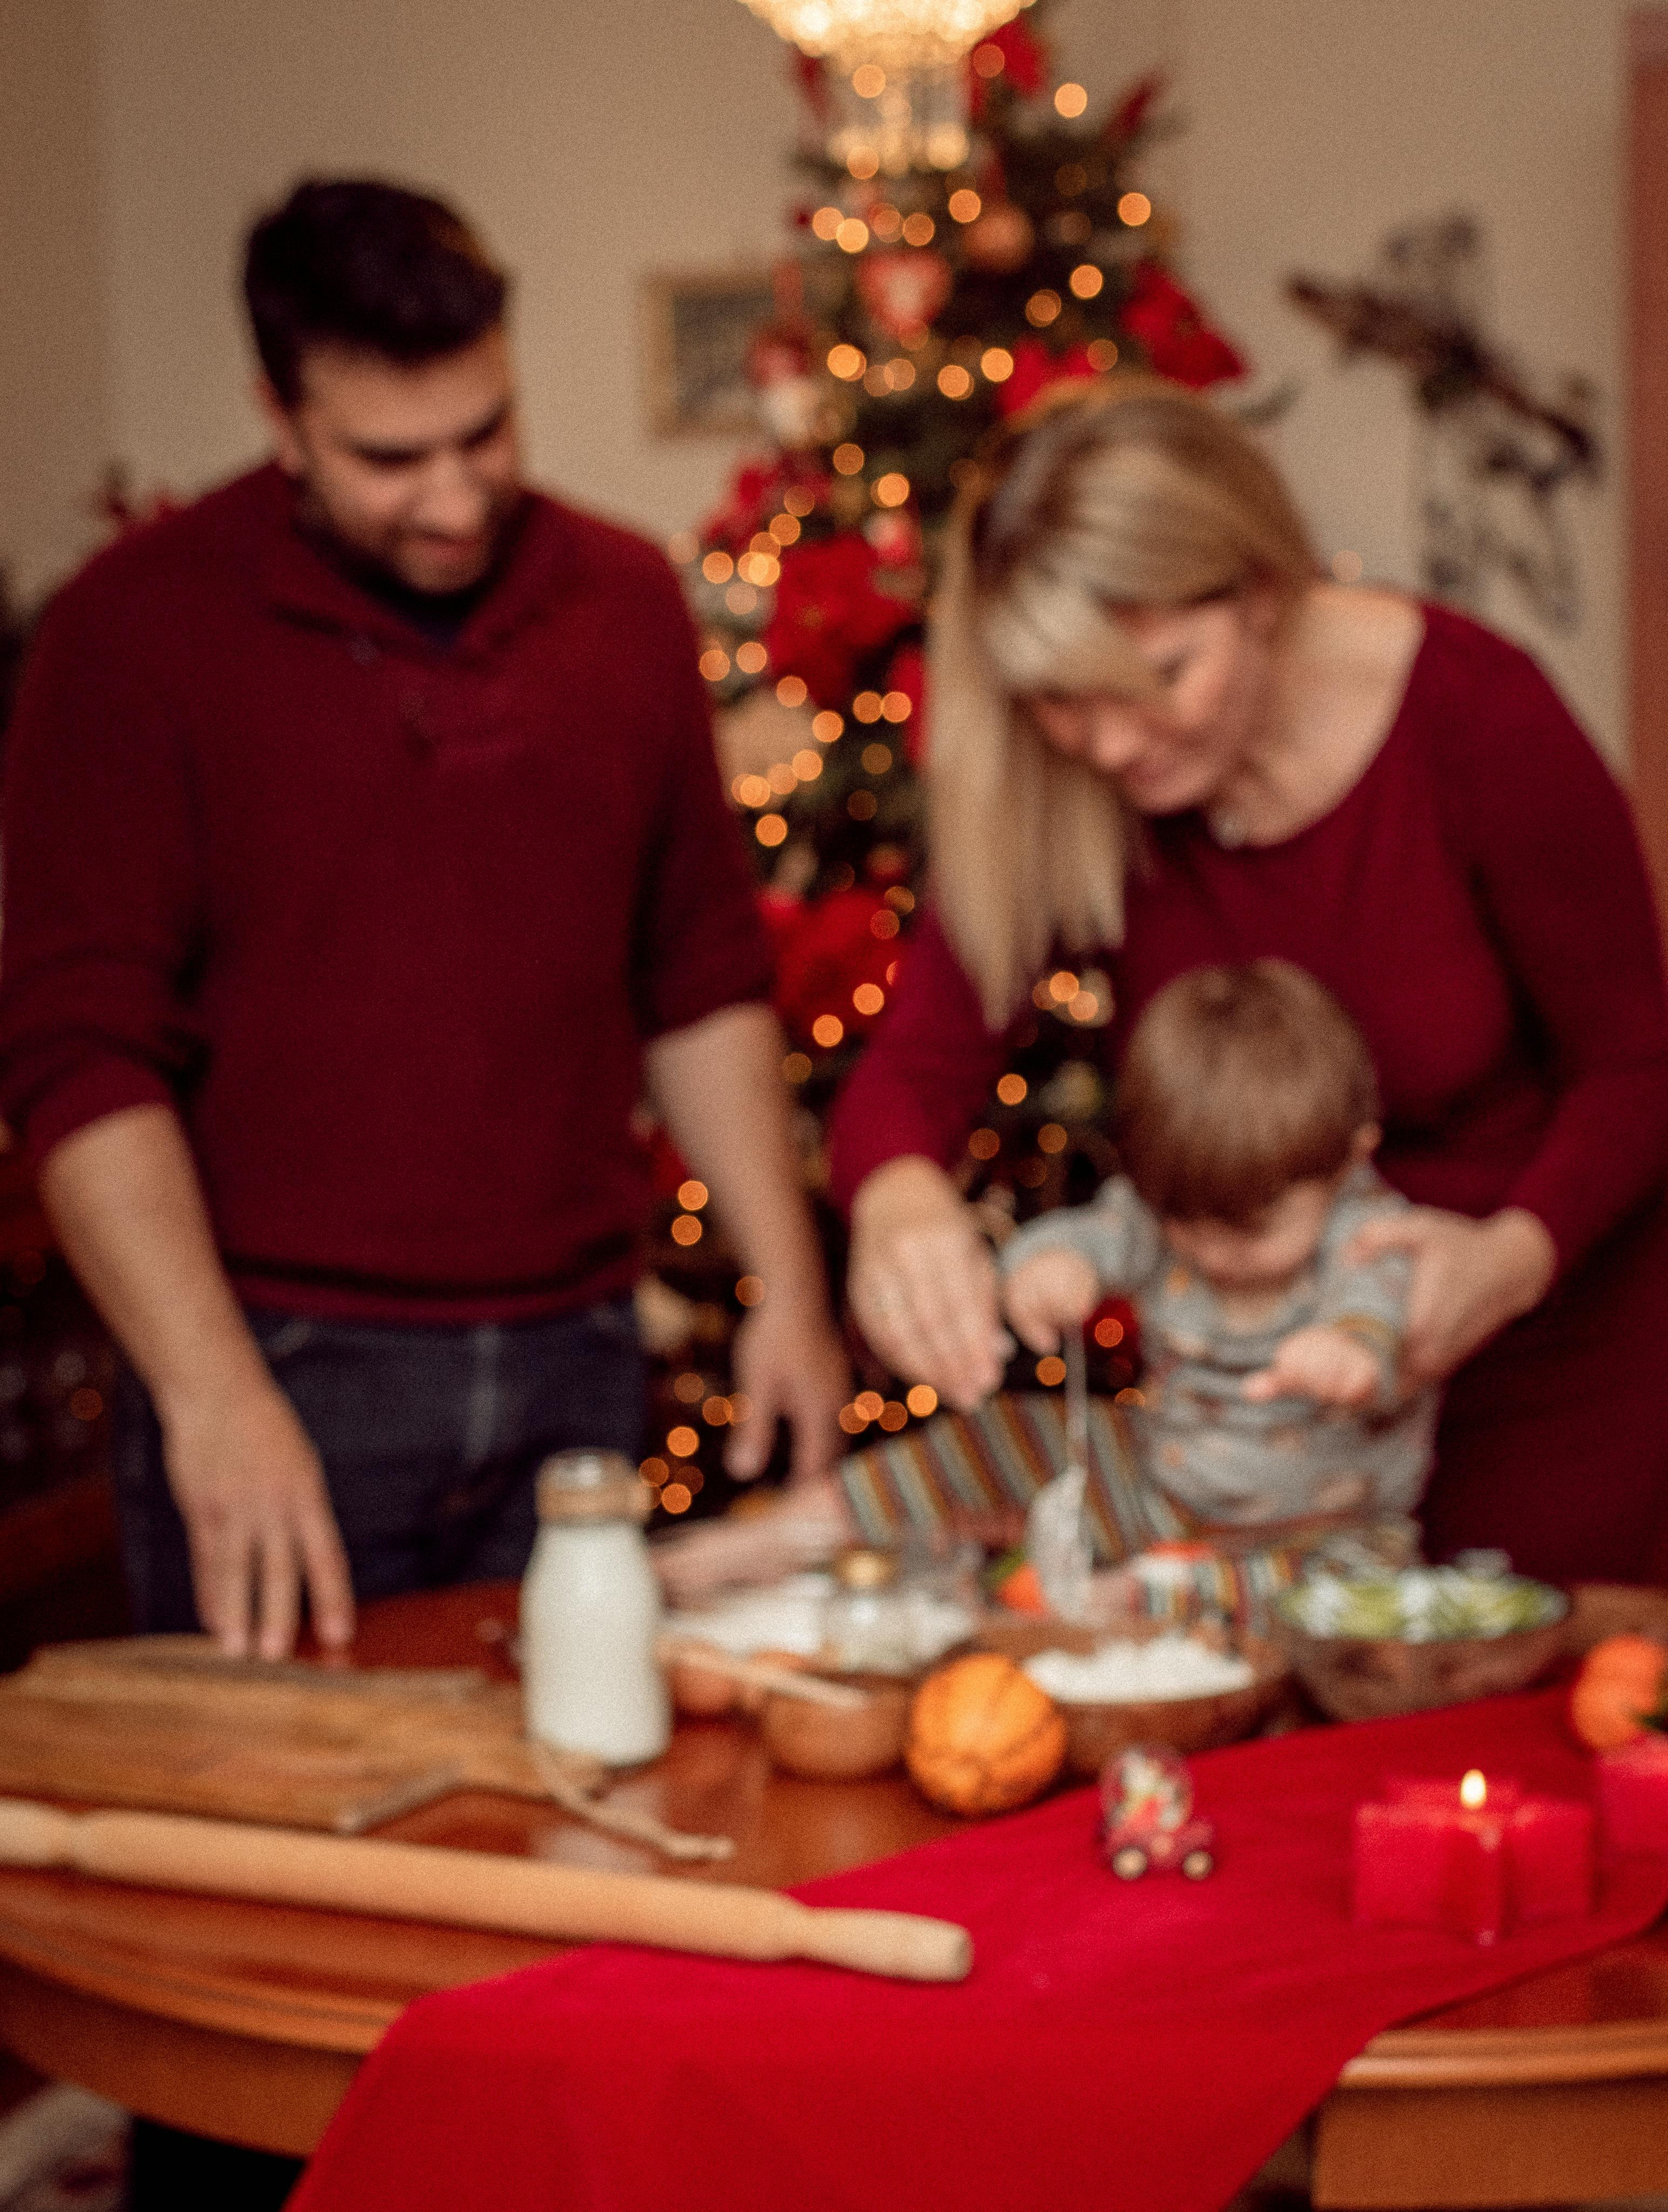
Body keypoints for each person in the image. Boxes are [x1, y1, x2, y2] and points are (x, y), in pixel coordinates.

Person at [0, 177, 848, 1665]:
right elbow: (77, 1056)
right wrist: (211, 1396)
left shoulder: (624, 598)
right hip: (279, 1364)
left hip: (581, 1359)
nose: (454, 499)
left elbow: (700, 975)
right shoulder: (129, 634)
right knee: (279, 1856)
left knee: (568, 1821)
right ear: (280, 415)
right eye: (389, 459)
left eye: (485, 434)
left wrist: (785, 1285)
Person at [829, 373, 1668, 1587]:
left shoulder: (1480, 716)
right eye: (1064, 701)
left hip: (1545, 1385)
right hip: (1259, 1448)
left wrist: (1511, 1260)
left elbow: (1637, 1067)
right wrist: (902, 1204)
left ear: (1263, 588)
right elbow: (917, 1060)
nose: (1110, 745)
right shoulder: (1068, 791)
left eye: (1160, 674)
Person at [1000, 959, 1437, 1530]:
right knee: (1002, 1439)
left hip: (1333, 1532)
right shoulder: (1167, 1203)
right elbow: (1096, 1232)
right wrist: (1050, 1262)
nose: (1210, 1254)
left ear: (1349, 1158)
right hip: (1170, 1501)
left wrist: (1352, 1348)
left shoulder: (1366, 1227)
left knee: (1204, 1598)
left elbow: (1377, 1303)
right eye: (1183, 1222)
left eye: (1250, 1230)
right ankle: (843, 1519)